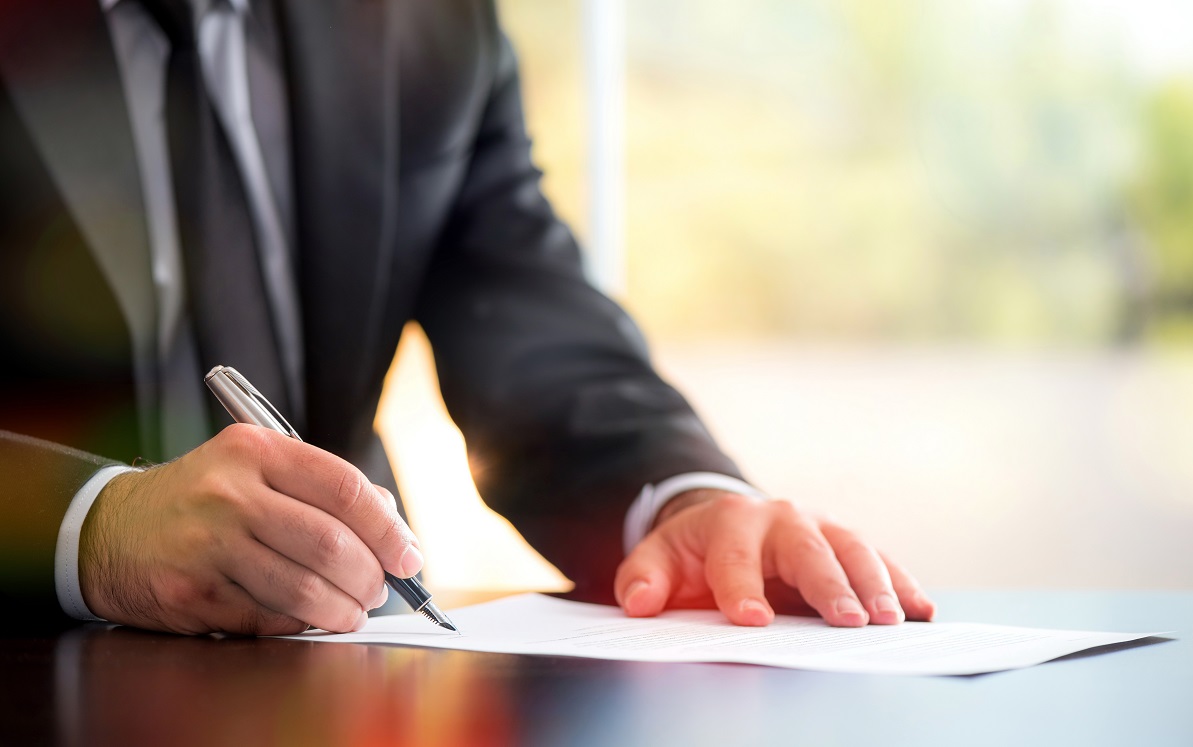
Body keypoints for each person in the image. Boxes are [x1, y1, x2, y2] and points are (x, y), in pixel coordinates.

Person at [0, 0, 935, 635]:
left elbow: (525, 310)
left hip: (342, 660)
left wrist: (684, 496)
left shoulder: (430, 20)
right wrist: (96, 527)